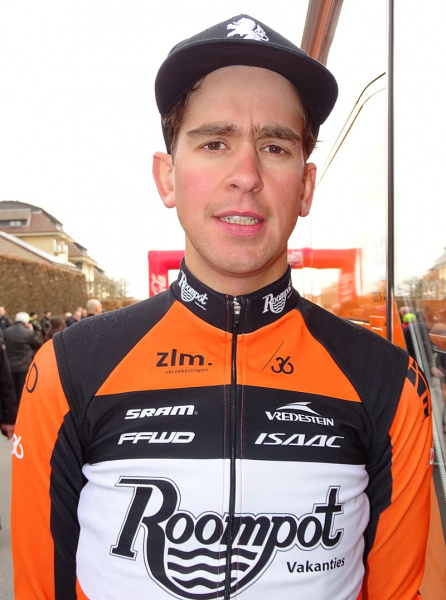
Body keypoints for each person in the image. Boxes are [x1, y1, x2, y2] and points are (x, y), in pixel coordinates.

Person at [11, 15, 432, 600]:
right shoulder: (68, 369)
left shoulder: (387, 381)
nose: (245, 176)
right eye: (214, 143)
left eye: (274, 146)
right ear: (167, 178)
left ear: (306, 186)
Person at [4, 312, 41, 404]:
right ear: (26, 321)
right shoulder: (28, 333)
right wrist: (33, 331)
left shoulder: (7, 332)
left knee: (12, 390)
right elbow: (38, 345)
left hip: (10, 366)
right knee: (22, 390)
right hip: (24, 366)